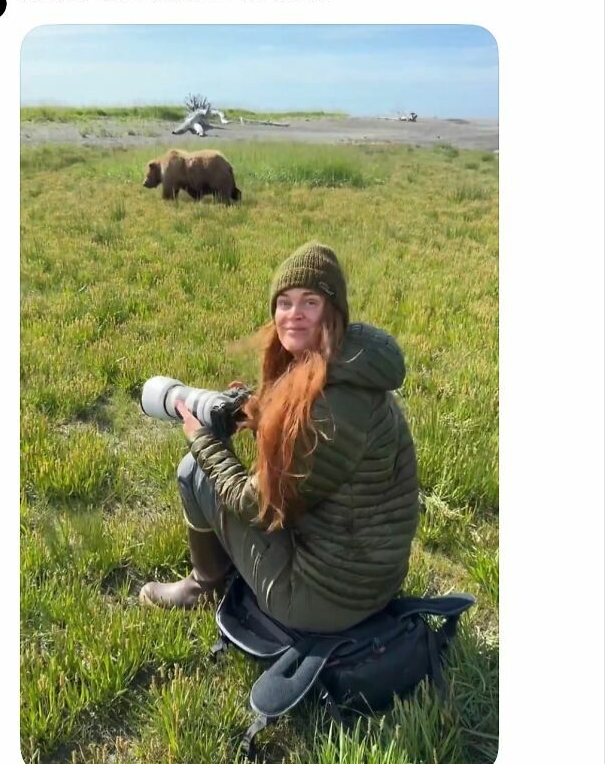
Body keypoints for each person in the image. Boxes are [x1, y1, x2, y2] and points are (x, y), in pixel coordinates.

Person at [139, 242, 420, 634]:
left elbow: (253, 505)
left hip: (323, 600)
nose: (293, 315)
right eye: (284, 302)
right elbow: (310, 460)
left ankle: (204, 586)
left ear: (333, 311)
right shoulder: (352, 370)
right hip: (370, 579)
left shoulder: (329, 412)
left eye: (310, 302)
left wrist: (202, 440)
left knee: (194, 471)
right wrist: (260, 415)